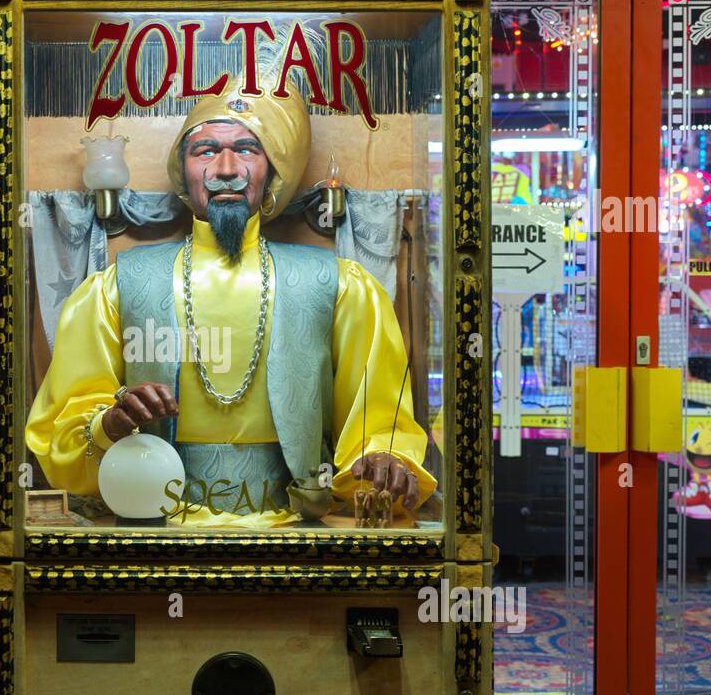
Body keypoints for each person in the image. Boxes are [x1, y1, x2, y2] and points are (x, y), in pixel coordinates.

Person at [25, 79, 435, 527]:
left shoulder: (337, 285)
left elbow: (378, 419)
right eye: (205, 151)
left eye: (246, 149)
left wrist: (382, 460)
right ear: (184, 172)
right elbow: (64, 429)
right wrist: (110, 424)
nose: (225, 168)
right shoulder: (118, 286)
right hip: (154, 531)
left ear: (271, 171)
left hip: (298, 532)